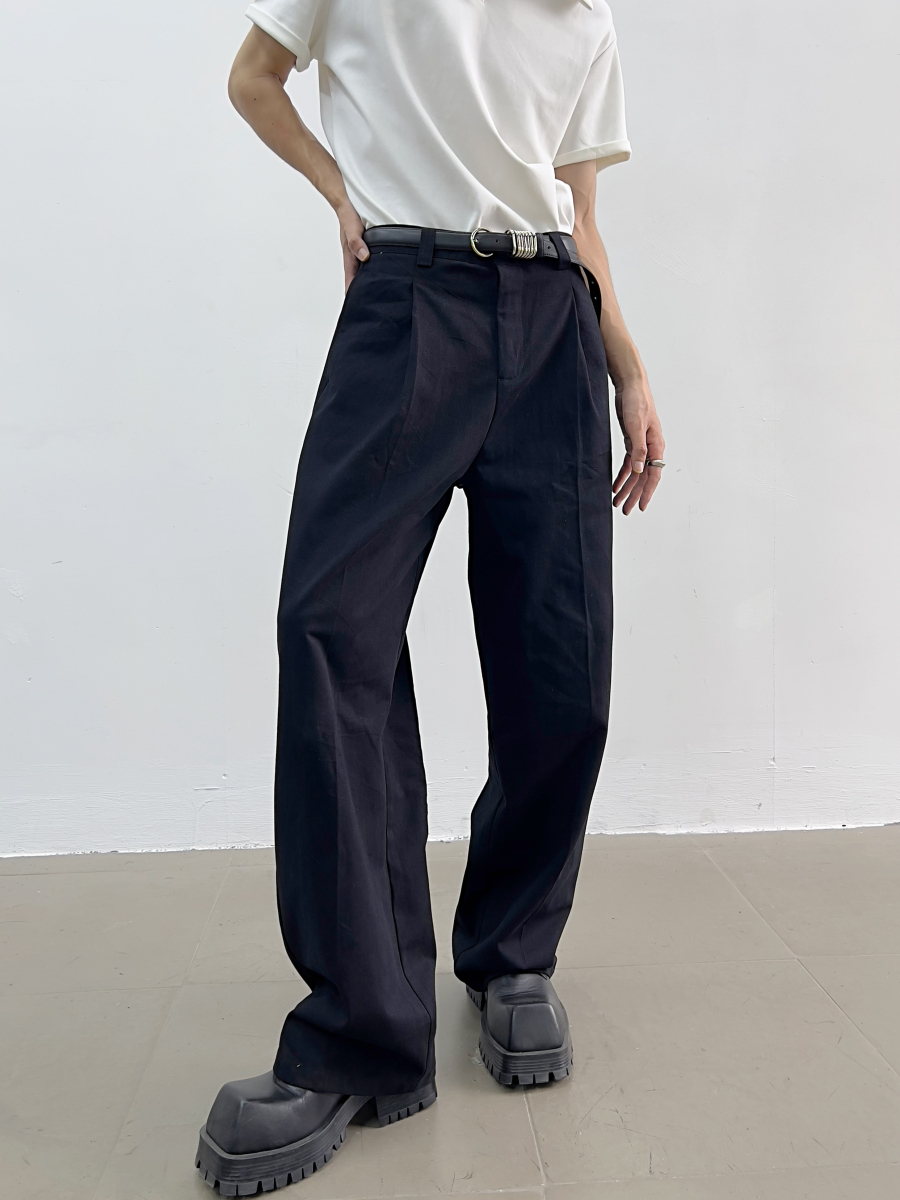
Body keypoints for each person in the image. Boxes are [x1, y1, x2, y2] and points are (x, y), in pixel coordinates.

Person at [196, 0, 665, 1192]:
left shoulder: (586, 21)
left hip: (553, 318)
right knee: (331, 634)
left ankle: (513, 955)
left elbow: (580, 215)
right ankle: (363, 1030)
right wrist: (337, 191)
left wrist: (629, 368)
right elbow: (254, 78)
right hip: (407, 303)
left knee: (561, 657)